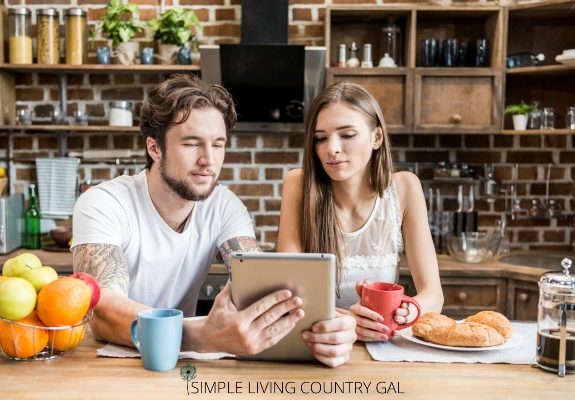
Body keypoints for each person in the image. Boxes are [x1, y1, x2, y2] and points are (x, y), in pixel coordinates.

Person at [71, 74, 355, 367]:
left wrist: (324, 329)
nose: (209, 160)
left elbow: (257, 285)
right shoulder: (104, 203)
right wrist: (202, 336)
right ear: (154, 148)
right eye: (192, 144)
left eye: (218, 145)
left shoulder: (225, 206)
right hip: (107, 364)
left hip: (182, 366)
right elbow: (101, 309)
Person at [276, 82, 444, 342]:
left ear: (377, 137)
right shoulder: (298, 185)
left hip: (381, 348)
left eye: (347, 135)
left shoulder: (405, 188)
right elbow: (289, 292)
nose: (331, 148)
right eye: (320, 138)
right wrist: (348, 323)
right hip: (317, 344)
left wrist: (411, 310)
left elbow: (433, 294)